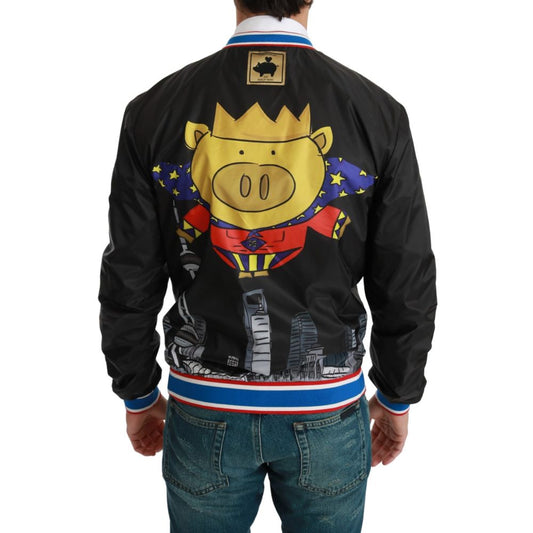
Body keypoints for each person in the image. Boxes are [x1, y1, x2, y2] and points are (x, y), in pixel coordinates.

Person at [98, 1, 437, 531]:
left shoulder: (154, 109)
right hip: (326, 410)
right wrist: (397, 395)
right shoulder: (376, 112)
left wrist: (137, 391)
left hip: (203, 406)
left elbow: (129, 274)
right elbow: (405, 276)